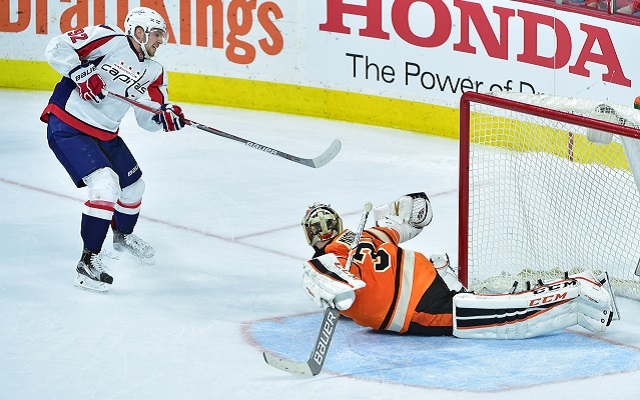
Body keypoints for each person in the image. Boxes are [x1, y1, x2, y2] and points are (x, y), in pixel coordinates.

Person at [300, 192, 616, 339]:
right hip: (430, 276)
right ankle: (578, 299)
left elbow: (325, 278)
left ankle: (579, 288)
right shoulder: (368, 234)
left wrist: (335, 289)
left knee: (503, 321)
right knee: (491, 309)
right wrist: (392, 208)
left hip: (414, 307)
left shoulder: (326, 259)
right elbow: (418, 213)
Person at [41, 7, 187, 293]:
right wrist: (80, 72)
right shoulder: (109, 38)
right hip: (69, 125)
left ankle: (123, 236)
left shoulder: (155, 73)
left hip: (106, 135)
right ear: (140, 32)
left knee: (134, 187)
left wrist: (164, 116)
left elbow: (148, 118)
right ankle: (87, 263)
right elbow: (57, 47)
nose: (161, 41)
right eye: (157, 35)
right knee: (105, 186)